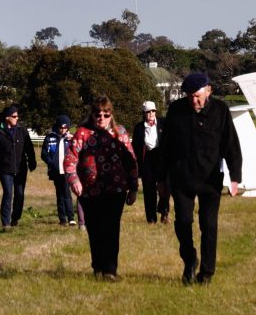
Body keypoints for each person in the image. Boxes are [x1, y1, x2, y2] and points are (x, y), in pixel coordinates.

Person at [159, 73, 243, 285]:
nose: (193, 101)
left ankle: (206, 273)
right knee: (183, 222)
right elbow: (166, 146)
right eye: (189, 96)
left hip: (210, 179)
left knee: (209, 226)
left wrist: (235, 178)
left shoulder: (220, 111)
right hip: (182, 178)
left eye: (197, 96)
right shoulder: (176, 110)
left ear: (208, 90)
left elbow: (231, 145)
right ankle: (189, 260)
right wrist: (162, 178)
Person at [65, 96, 138, 281]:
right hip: (89, 192)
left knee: (111, 230)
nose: (101, 118)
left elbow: (131, 162)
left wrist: (134, 187)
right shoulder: (82, 133)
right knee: (95, 230)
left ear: (111, 114)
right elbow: (70, 160)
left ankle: (110, 270)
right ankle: (98, 267)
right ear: (92, 114)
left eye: (106, 114)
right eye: (98, 114)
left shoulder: (119, 133)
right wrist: (74, 180)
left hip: (116, 191)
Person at [0, 105, 37, 231]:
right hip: (5, 170)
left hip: (21, 169)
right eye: (14, 116)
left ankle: (15, 218)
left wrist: (32, 162)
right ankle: (5, 223)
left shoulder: (22, 130)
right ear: (7, 117)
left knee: (19, 194)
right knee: (8, 193)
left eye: (17, 116)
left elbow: (29, 148)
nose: (17, 118)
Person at [132, 100, 170, 224]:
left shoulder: (164, 123)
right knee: (149, 191)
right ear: (144, 113)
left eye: (153, 111)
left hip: (161, 158)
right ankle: (151, 219)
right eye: (148, 111)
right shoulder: (138, 128)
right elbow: (135, 148)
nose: (151, 113)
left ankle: (164, 212)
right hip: (146, 160)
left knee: (164, 188)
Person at [41, 115, 75, 225]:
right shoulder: (50, 138)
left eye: (65, 128)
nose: (63, 130)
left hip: (67, 171)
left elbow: (76, 152)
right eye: (61, 128)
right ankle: (62, 219)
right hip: (56, 171)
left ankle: (71, 217)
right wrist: (51, 163)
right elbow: (44, 154)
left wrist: (73, 140)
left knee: (66, 193)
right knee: (59, 194)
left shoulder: (70, 139)